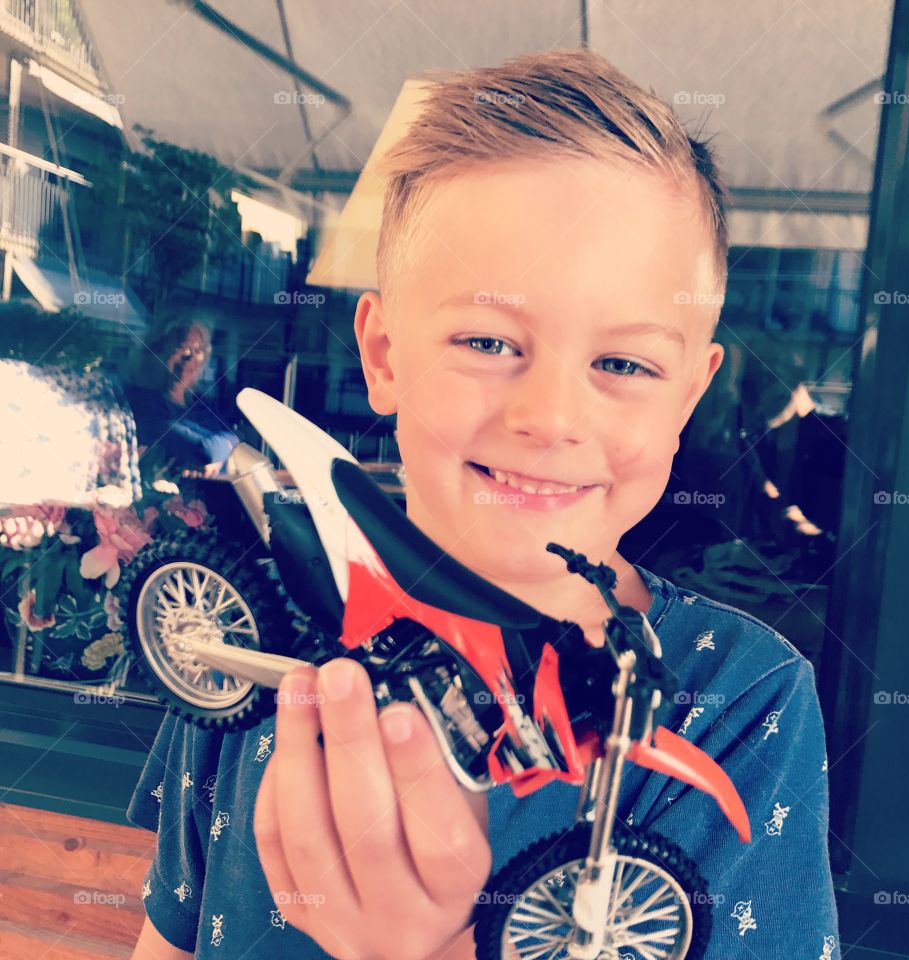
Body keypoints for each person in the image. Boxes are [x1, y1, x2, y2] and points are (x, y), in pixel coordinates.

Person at [126, 49, 840, 960]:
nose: (548, 416)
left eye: (624, 363)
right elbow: (168, 938)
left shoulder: (741, 700)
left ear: (687, 399)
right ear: (383, 356)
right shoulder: (271, 653)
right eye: (488, 338)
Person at [122, 316, 239, 485]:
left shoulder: (201, 402)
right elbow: (204, 450)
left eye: (198, 351)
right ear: (158, 351)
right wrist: (224, 448)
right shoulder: (143, 401)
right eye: (180, 347)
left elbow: (238, 444)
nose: (188, 356)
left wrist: (224, 447)